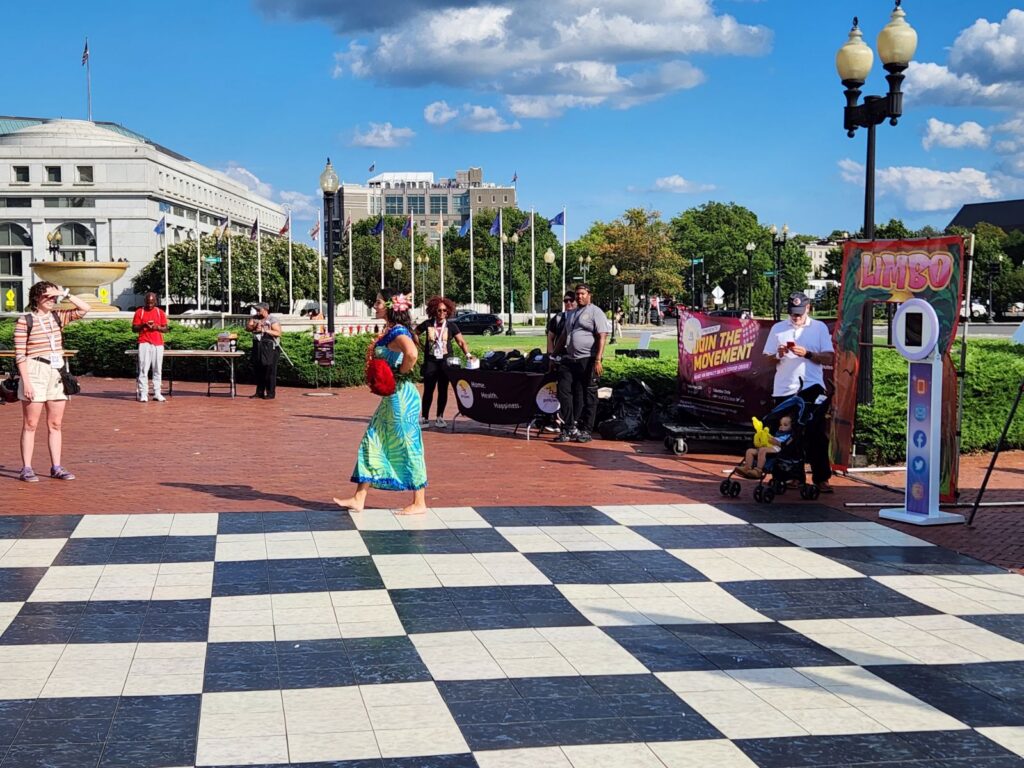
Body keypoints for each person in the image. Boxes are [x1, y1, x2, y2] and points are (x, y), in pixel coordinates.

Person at [335, 289, 427, 515]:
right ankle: (359, 497)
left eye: (377, 303)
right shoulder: (390, 330)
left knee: (407, 444)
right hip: (392, 398)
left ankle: (419, 502)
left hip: (401, 398)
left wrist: (400, 374)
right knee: (372, 440)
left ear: (390, 306)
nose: (374, 306)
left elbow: (412, 353)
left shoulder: (397, 331)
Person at [13, 281, 90, 482]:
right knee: (30, 423)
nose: (51, 300)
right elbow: (20, 355)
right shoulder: (25, 321)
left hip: (56, 371)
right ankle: (27, 467)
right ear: (36, 298)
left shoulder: (58, 317)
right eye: (47, 296)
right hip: (34, 369)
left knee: (55, 423)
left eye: (53, 297)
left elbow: (85, 308)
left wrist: (65, 293)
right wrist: (26, 382)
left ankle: (56, 466)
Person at [762, 292, 835, 492]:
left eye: (799, 313)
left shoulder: (818, 328)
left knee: (816, 433)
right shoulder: (778, 328)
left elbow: (829, 357)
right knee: (785, 433)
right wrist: (779, 353)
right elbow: (766, 358)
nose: (796, 317)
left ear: (808, 308)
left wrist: (808, 354)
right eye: (793, 314)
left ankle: (821, 478)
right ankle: (791, 475)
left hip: (812, 387)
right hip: (785, 388)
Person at [553, 283, 610, 443]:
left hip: (588, 359)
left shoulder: (595, 312)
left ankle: (586, 430)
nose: (579, 297)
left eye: (582, 294)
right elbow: (564, 335)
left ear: (589, 295)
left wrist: (598, 360)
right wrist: (553, 356)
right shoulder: (571, 313)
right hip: (570, 359)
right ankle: (569, 427)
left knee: (588, 394)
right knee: (563, 391)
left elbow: (602, 336)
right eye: (577, 294)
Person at [415, 296, 470, 428]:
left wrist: (468, 354)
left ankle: (440, 417)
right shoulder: (427, 324)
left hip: (445, 361)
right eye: (439, 310)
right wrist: (420, 346)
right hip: (431, 361)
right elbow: (414, 333)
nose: (441, 313)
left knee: (443, 390)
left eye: (444, 310)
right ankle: (425, 417)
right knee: (428, 389)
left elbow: (461, 341)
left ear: (448, 311)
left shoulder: (451, 325)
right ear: (434, 310)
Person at [132, 291, 169, 402]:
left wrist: (156, 327)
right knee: (144, 369)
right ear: (145, 301)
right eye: (148, 302)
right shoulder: (140, 312)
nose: (149, 305)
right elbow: (134, 328)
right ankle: (143, 393)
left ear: (155, 302)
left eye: (152, 303)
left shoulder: (160, 312)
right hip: (144, 342)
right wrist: (143, 325)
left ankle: (157, 393)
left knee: (158, 369)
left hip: (158, 343)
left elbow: (166, 329)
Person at [247, 303, 282, 399]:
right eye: (256, 310)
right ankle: (259, 392)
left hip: (271, 347)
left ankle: (270, 393)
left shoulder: (272, 319)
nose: (257, 311)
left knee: (269, 370)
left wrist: (265, 330)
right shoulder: (254, 318)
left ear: (265, 310)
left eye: (259, 310)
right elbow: (248, 328)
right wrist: (254, 327)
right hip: (258, 346)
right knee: (258, 369)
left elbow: (278, 333)